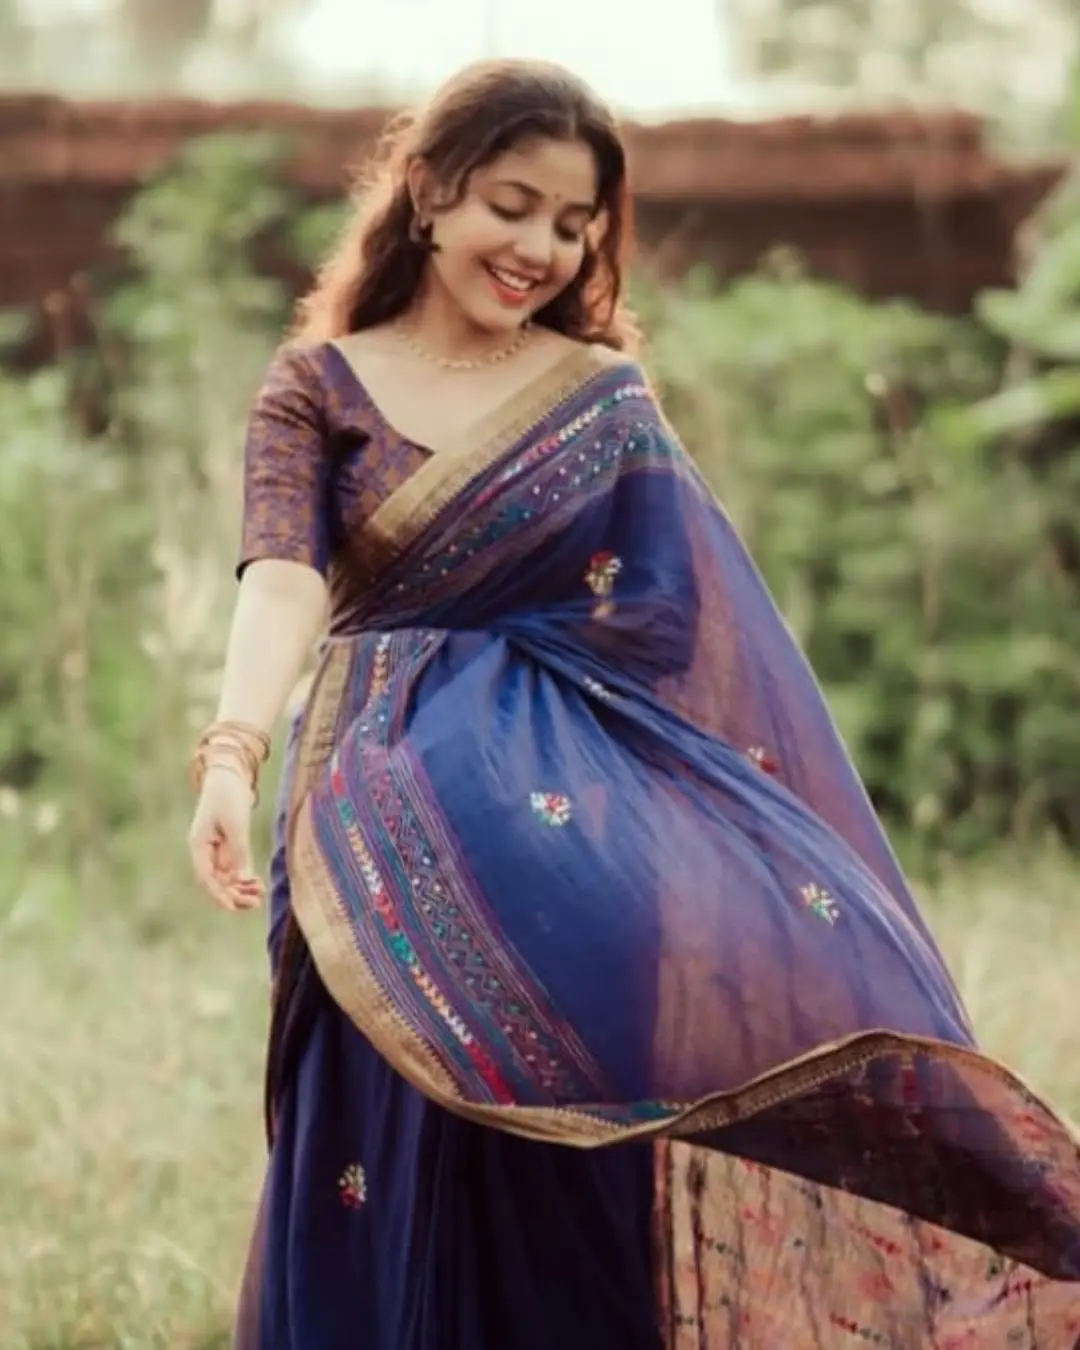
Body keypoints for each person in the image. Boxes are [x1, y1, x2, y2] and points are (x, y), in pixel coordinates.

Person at [187, 58, 1080, 1350]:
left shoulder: (598, 401)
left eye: (574, 223)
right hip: (365, 831)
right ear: (427, 191)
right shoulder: (317, 385)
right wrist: (232, 752)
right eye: (512, 205)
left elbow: (674, 631)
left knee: (571, 1162)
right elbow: (281, 580)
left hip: (569, 849)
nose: (540, 248)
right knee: (367, 1145)